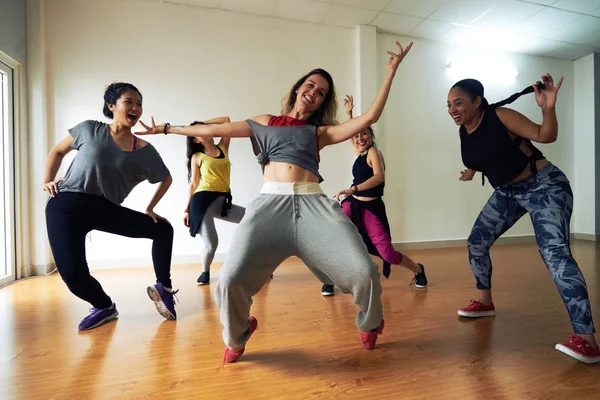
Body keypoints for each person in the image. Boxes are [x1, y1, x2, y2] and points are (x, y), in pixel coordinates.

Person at [137, 41, 412, 364]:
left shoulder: (319, 131)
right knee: (229, 280)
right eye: (310, 85)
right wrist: (167, 129)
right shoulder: (266, 121)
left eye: (321, 92)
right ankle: (238, 334)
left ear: (323, 102)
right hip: (270, 206)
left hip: (314, 206)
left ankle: (371, 322)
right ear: (298, 89)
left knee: (365, 270)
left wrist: (391, 70)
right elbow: (211, 128)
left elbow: (370, 117)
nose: (314, 92)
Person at [447, 74, 599, 364]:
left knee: (555, 256)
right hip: (508, 192)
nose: (453, 110)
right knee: (476, 242)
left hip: (545, 186)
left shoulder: (501, 116)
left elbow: (546, 135)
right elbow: (485, 155)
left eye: (459, 103)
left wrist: (548, 108)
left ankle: (588, 341)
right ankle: (485, 302)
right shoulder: (464, 131)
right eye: (449, 105)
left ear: (478, 101)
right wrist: (471, 171)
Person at [43, 82, 178, 331]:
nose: (136, 108)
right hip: (65, 205)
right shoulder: (89, 129)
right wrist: (47, 180)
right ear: (112, 106)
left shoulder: (145, 151)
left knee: (163, 229)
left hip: (104, 207)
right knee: (73, 276)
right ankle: (104, 306)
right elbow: (57, 151)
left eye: (139, 103)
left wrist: (151, 208)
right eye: (130, 102)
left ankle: (164, 288)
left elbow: (166, 178)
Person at [320, 94, 427, 297]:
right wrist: (349, 113)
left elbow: (379, 177)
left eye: (364, 134)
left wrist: (353, 189)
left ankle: (418, 270)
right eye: (356, 135)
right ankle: (329, 280)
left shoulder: (373, 153)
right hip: (352, 206)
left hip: (371, 209)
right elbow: (351, 132)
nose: (360, 138)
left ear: (371, 134)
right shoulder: (359, 152)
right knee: (337, 239)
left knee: (387, 253)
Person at [184, 117, 246, 285]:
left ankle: (254, 265)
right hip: (202, 201)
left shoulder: (223, 147)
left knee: (252, 218)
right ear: (195, 139)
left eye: (205, 129)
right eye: (199, 133)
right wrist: (187, 209)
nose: (204, 132)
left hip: (222, 201)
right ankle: (205, 272)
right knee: (211, 244)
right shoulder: (197, 156)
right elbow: (194, 184)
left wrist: (202, 124)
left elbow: (226, 120)